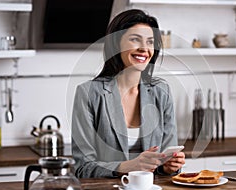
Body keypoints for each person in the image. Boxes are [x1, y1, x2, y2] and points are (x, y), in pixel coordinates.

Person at [72, 9, 185, 178]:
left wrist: (170, 166)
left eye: (150, 42)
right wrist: (128, 166)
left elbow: (166, 161)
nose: (144, 49)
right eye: (135, 40)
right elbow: (82, 168)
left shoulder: (161, 91)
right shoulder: (88, 93)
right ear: (116, 44)